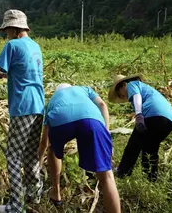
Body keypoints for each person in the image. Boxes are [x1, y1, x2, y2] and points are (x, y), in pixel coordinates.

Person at [0, 10, 45, 213]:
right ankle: (34, 193)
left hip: (23, 107)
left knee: (13, 156)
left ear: (13, 28)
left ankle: (16, 206)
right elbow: (20, 69)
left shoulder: (12, 45)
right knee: (30, 153)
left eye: (6, 30)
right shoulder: (35, 46)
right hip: (38, 105)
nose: (5, 34)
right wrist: (2, 75)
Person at [38, 83, 121, 213]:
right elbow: (103, 105)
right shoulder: (84, 89)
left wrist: (38, 165)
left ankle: (56, 192)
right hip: (91, 120)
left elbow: (44, 142)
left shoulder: (53, 101)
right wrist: (106, 132)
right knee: (106, 175)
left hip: (60, 119)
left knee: (53, 150)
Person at [108, 74, 172, 181]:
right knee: (150, 148)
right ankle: (150, 178)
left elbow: (136, 96)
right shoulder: (146, 89)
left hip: (154, 114)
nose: (121, 96)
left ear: (123, 86)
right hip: (170, 119)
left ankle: (122, 172)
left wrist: (139, 114)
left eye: (119, 93)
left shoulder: (131, 84)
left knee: (133, 145)